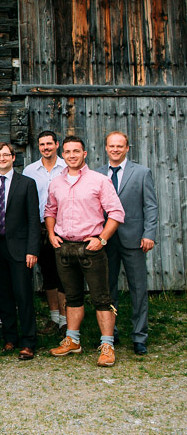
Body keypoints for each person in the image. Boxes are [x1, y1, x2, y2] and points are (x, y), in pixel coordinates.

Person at [45, 136, 125, 367]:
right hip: (64, 248)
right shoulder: (57, 183)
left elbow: (116, 213)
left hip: (91, 248)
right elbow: (50, 210)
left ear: (84, 154)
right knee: (72, 297)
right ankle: (73, 340)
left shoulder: (98, 181)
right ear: (63, 155)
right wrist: (51, 234)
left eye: (76, 151)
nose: (71, 155)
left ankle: (107, 345)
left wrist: (101, 239)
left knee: (101, 298)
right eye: (68, 152)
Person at [97, 131, 158, 355]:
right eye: (111, 146)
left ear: (127, 148)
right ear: (106, 148)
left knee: (138, 289)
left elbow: (150, 206)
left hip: (134, 239)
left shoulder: (141, 173)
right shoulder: (97, 174)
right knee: (107, 288)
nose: (115, 149)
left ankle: (139, 336)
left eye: (119, 146)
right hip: (106, 240)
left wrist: (149, 233)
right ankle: (110, 334)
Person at [0, 143, 41, 360]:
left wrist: (32, 249)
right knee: (3, 294)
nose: (2, 158)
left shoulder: (26, 183)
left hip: (20, 248)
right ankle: (10, 338)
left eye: (6, 154)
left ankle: (28, 341)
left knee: (23, 295)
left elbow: (34, 220)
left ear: (13, 157)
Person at [22, 130, 68, 335]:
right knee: (48, 273)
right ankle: (54, 318)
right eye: (42, 144)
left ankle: (67, 320)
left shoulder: (67, 167)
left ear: (57, 145)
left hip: (65, 227)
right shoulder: (31, 171)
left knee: (65, 274)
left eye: (49, 144)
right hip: (40, 227)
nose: (46, 148)